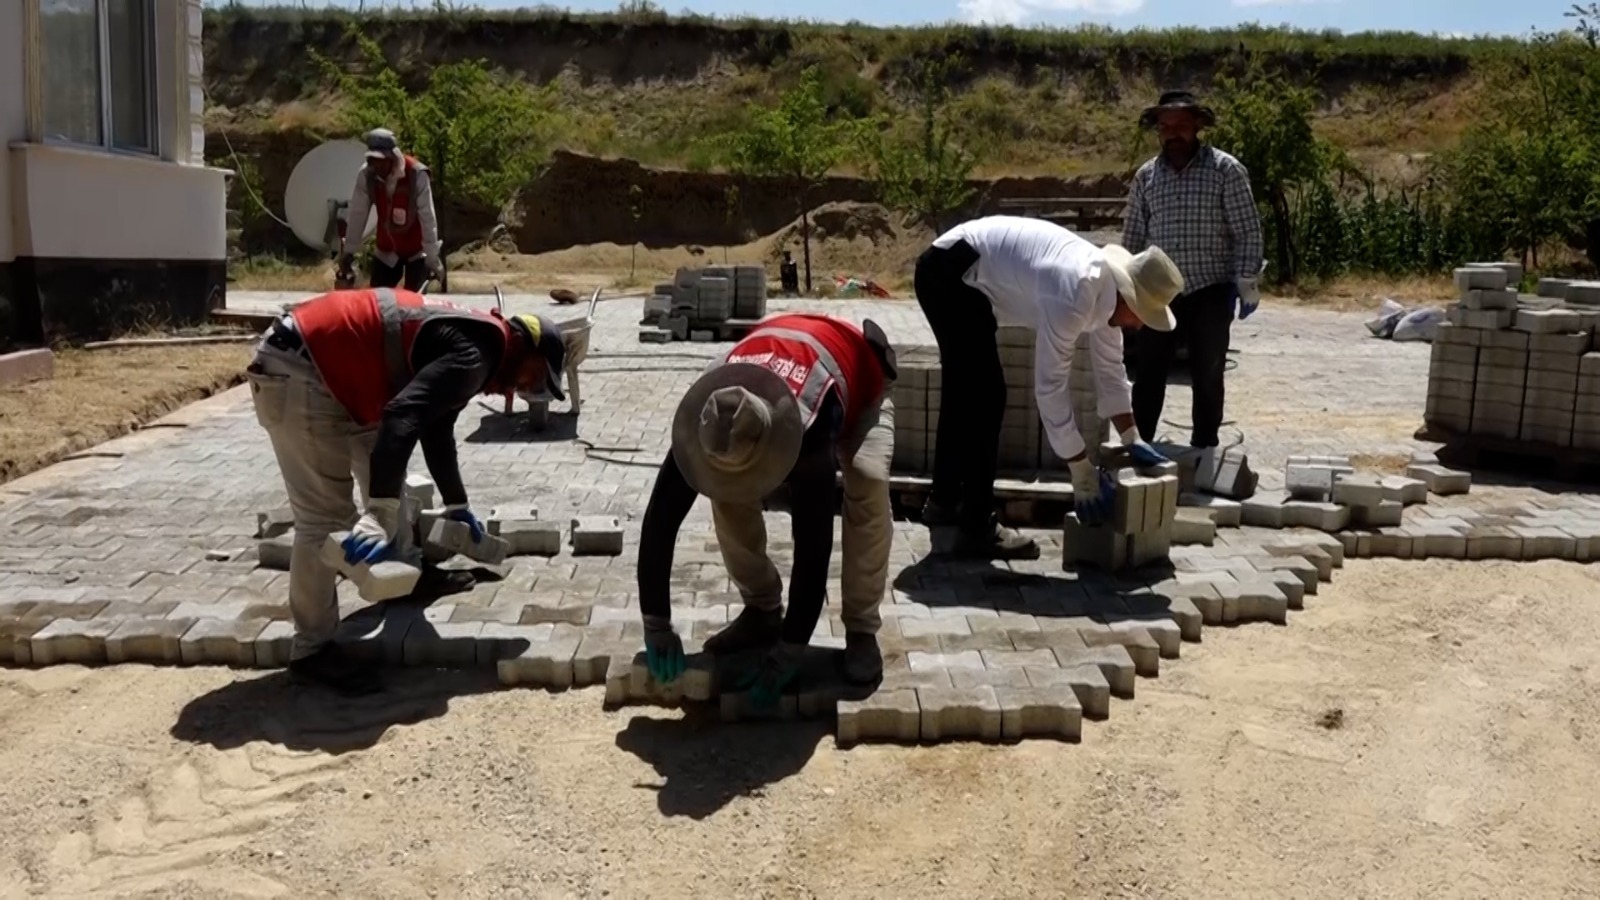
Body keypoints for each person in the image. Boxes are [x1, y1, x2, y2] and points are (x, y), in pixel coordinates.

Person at [244, 287, 567, 695]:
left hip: (339, 373)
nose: (522, 391)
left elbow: (435, 428)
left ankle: (403, 579)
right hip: (301, 367)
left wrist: (457, 505)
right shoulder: (476, 356)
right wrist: (376, 513)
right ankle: (312, 650)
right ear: (522, 345)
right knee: (325, 519)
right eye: (534, 377)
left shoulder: (479, 344)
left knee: (388, 481)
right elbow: (402, 415)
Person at [634, 313, 897, 704]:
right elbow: (660, 518)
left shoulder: (810, 428)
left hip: (858, 377)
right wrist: (655, 622)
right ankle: (761, 611)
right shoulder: (706, 416)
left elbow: (814, 542)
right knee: (723, 479)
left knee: (868, 480)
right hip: (781, 348)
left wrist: (792, 647)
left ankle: (861, 630)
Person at [913, 216, 1185, 558]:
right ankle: (976, 527)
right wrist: (1081, 471)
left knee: (966, 391)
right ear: (1130, 299)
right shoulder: (1075, 290)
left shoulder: (1107, 295)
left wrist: (1132, 437)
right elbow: (1050, 388)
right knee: (987, 396)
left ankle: (944, 502)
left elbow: (1111, 371)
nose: (1141, 327)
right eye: (1143, 316)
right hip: (950, 274)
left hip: (959, 272)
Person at [1122, 90, 1265, 451]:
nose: (1173, 134)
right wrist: (1126, 289)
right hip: (1159, 293)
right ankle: (1140, 445)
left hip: (1211, 289)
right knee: (1149, 373)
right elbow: (1134, 236)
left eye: (1181, 126)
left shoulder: (1225, 170)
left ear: (1198, 126)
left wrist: (1246, 282)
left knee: (1208, 373)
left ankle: (1204, 449)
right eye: (1165, 127)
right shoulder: (1146, 177)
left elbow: (1247, 230)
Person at [338, 128, 443, 293]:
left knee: (414, 306)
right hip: (386, 251)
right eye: (372, 160)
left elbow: (427, 217)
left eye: (380, 160)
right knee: (378, 304)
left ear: (393, 157)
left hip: (416, 252)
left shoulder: (417, 174)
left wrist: (432, 258)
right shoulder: (367, 175)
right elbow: (358, 214)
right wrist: (349, 251)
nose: (376, 165)